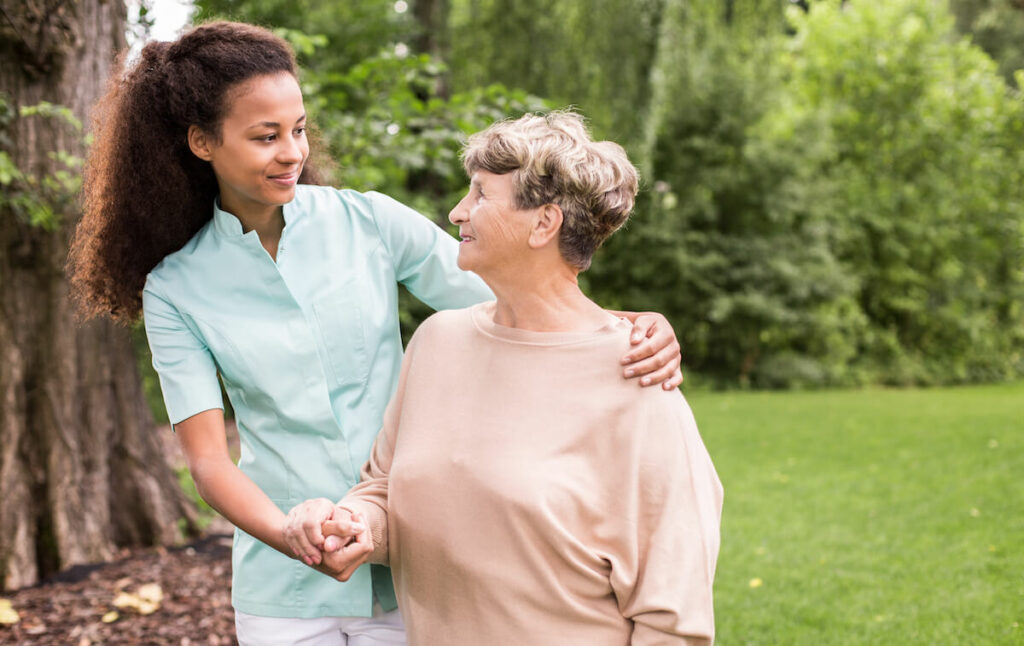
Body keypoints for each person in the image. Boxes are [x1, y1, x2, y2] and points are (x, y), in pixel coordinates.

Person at [67, 21, 685, 646]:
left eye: (299, 129)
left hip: (415, 569)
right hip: (284, 592)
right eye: (265, 137)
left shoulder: (369, 222)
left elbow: (531, 296)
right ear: (202, 143)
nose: (292, 152)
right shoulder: (177, 288)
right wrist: (291, 535)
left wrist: (627, 326)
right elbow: (207, 463)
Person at [309, 111, 724, 645]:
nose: (459, 210)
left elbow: (675, 615)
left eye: (481, 194)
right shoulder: (438, 342)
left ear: (544, 223)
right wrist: (357, 526)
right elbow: (385, 489)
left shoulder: (638, 377)